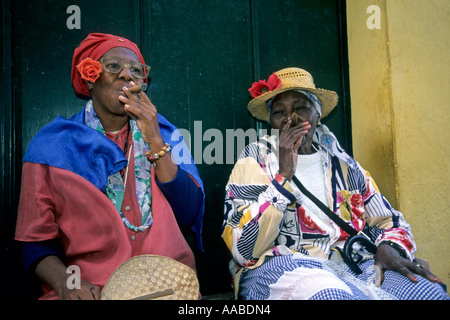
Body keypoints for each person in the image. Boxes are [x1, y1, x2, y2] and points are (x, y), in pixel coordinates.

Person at [222, 67, 448, 300]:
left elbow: (389, 220)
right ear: (271, 121)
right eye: (280, 112)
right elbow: (244, 252)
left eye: (300, 107)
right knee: (331, 296)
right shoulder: (254, 160)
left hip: (355, 264)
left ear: (318, 114)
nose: (291, 118)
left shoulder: (343, 164)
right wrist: (283, 176)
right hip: (284, 266)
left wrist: (389, 247)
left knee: (428, 293)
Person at [15, 33, 205, 300]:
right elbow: (36, 242)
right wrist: (65, 284)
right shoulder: (51, 147)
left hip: (168, 286)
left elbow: (188, 213)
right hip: (91, 291)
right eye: (113, 66)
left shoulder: (167, 135)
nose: (127, 75)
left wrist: (153, 137)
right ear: (90, 77)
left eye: (136, 70)